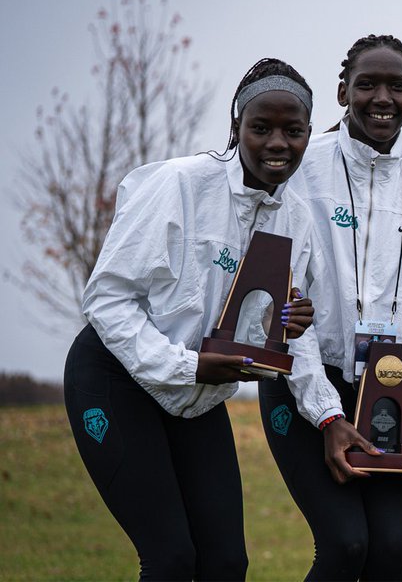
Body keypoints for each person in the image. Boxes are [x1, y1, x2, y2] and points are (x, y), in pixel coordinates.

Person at [65, 58, 339, 579]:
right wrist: (187, 367)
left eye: (294, 130)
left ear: (309, 135)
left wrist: (291, 325)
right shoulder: (180, 184)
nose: (278, 142)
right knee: (170, 560)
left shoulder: (297, 218)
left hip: (200, 399)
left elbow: (277, 331)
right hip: (115, 380)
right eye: (261, 128)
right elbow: (106, 298)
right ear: (236, 127)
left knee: (226, 563)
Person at [261, 34, 402, 580]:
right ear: (342, 92)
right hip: (302, 377)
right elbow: (286, 301)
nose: (382, 98)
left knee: (391, 548)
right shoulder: (304, 169)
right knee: (347, 545)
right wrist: (326, 412)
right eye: (366, 84)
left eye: (396, 86)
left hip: (390, 389)